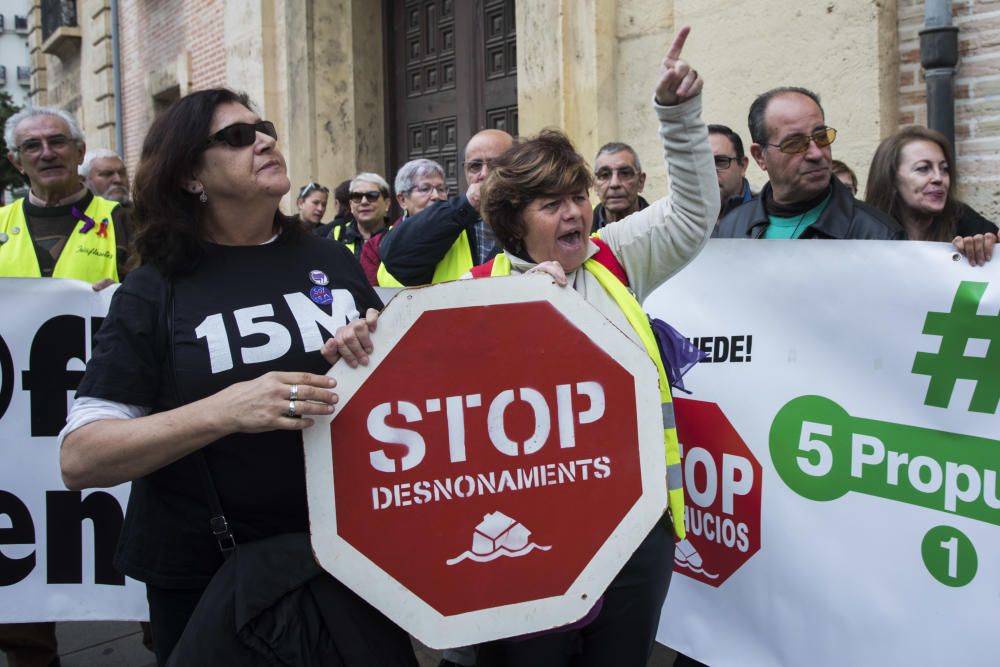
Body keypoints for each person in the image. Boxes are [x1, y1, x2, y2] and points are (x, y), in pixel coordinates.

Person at [56, 88, 414, 666]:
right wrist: (225, 411)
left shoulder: (330, 258)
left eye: (264, 127)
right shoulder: (155, 288)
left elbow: (397, 390)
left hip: (349, 559)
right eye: (237, 137)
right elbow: (81, 458)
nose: (265, 140)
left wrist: (378, 348)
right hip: (212, 573)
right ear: (191, 175)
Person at [462, 26, 714, 666]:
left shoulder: (614, 259)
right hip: (530, 543)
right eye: (552, 203)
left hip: (636, 535)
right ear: (514, 218)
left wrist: (678, 116)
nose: (575, 213)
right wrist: (524, 318)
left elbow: (691, 215)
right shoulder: (468, 299)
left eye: (580, 196)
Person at [0, 108, 129, 667]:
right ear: (16, 160)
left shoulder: (127, 220)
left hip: (115, 403)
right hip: (20, 422)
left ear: (80, 151)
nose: (46, 152)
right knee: (26, 542)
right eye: (32, 146)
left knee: (129, 532)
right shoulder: (0, 225)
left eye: (58, 142)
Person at [716, 86, 902, 240]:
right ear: (760, 157)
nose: (816, 153)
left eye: (821, 137)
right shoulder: (731, 228)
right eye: (795, 143)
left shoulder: (878, 235)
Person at [377, 128, 514, 285]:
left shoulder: (538, 213)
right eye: (475, 166)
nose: (484, 174)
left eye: (496, 164)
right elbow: (396, 257)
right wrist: (467, 205)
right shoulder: (451, 221)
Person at [865, 125, 996, 265]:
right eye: (923, 168)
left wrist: (985, 247)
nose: (939, 178)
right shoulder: (865, 230)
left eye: (944, 169)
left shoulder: (961, 218)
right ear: (892, 180)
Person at [359, 158, 448, 285]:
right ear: (402, 200)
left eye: (441, 189)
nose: (436, 196)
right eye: (424, 189)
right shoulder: (375, 246)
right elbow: (370, 297)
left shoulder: (467, 232)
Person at [330, 172, 391, 259]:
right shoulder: (337, 235)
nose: (364, 202)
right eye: (357, 196)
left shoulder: (397, 236)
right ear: (351, 205)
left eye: (372, 196)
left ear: (387, 204)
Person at [591, 142, 648, 230]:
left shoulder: (663, 229)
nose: (614, 184)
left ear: (641, 181)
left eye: (625, 173)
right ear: (595, 185)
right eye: (605, 175)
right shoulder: (581, 234)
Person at [708, 124, 753, 220]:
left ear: (743, 166)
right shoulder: (674, 217)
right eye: (702, 163)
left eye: (720, 161)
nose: (709, 172)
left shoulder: (768, 213)